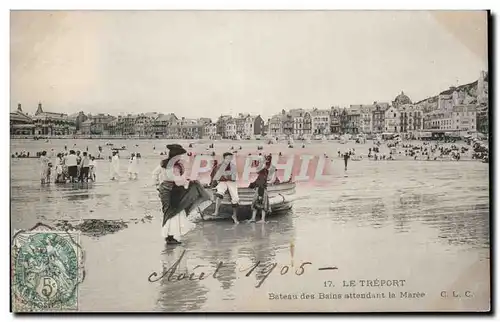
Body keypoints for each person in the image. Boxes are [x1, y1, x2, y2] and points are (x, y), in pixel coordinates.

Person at [152, 144, 211, 245]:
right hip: (172, 189)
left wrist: (157, 185)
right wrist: (188, 181)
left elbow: (155, 174)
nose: (181, 157)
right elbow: (178, 181)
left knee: (169, 212)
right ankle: (169, 237)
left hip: (165, 188)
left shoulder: (164, 163)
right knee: (172, 212)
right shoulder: (175, 166)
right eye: (179, 155)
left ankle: (169, 236)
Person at [211, 152, 239, 224]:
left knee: (235, 198)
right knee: (220, 193)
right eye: (227, 158)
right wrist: (224, 176)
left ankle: (234, 216)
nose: (229, 160)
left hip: (231, 182)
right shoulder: (219, 166)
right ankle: (216, 211)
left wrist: (224, 175)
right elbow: (216, 177)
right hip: (222, 182)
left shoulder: (233, 166)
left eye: (230, 158)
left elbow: (233, 177)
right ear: (224, 159)